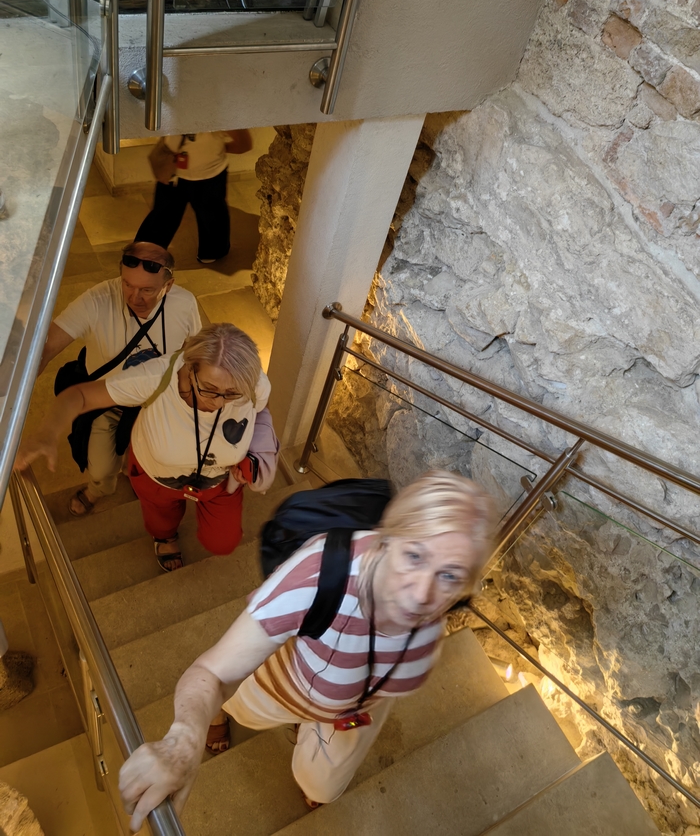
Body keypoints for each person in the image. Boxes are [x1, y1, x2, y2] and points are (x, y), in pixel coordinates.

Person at [116, 471, 495, 831]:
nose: (422, 595)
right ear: (386, 539)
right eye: (414, 556)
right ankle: (224, 713)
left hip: (356, 706)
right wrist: (184, 741)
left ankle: (315, 765)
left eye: (449, 575)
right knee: (234, 702)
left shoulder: (436, 617)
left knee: (323, 785)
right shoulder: (317, 578)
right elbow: (216, 673)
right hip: (286, 683)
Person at [18, 323, 274, 571]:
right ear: (189, 366)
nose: (219, 402)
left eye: (231, 394)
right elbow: (81, 396)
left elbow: (260, 409)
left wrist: (258, 452)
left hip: (219, 483)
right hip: (156, 478)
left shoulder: (251, 383)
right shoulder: (156, 378)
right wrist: (46, 433)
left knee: (223, 542)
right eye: (209, 389)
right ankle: (164, 537)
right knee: (161, 521)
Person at [37, 241, 201, 516]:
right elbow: (46, 348)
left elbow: (193, 350)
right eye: (127, 285)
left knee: (152, 460)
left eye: (147, 290)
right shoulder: (97, 300)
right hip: (107, 402)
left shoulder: (185, 304)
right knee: (101, 468)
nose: (135, 297)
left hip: (154, 404)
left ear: (168, 285)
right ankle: (98, 488)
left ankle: (133, 470)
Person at [135, 130, 253, 264]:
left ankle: (212, 251)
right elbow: (244, 144)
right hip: (175, 171)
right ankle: (144, 254)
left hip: (206, 176)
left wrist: (222, 148)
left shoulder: (220, 117)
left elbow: (244, 144)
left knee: (209, 216)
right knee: (164, 216)